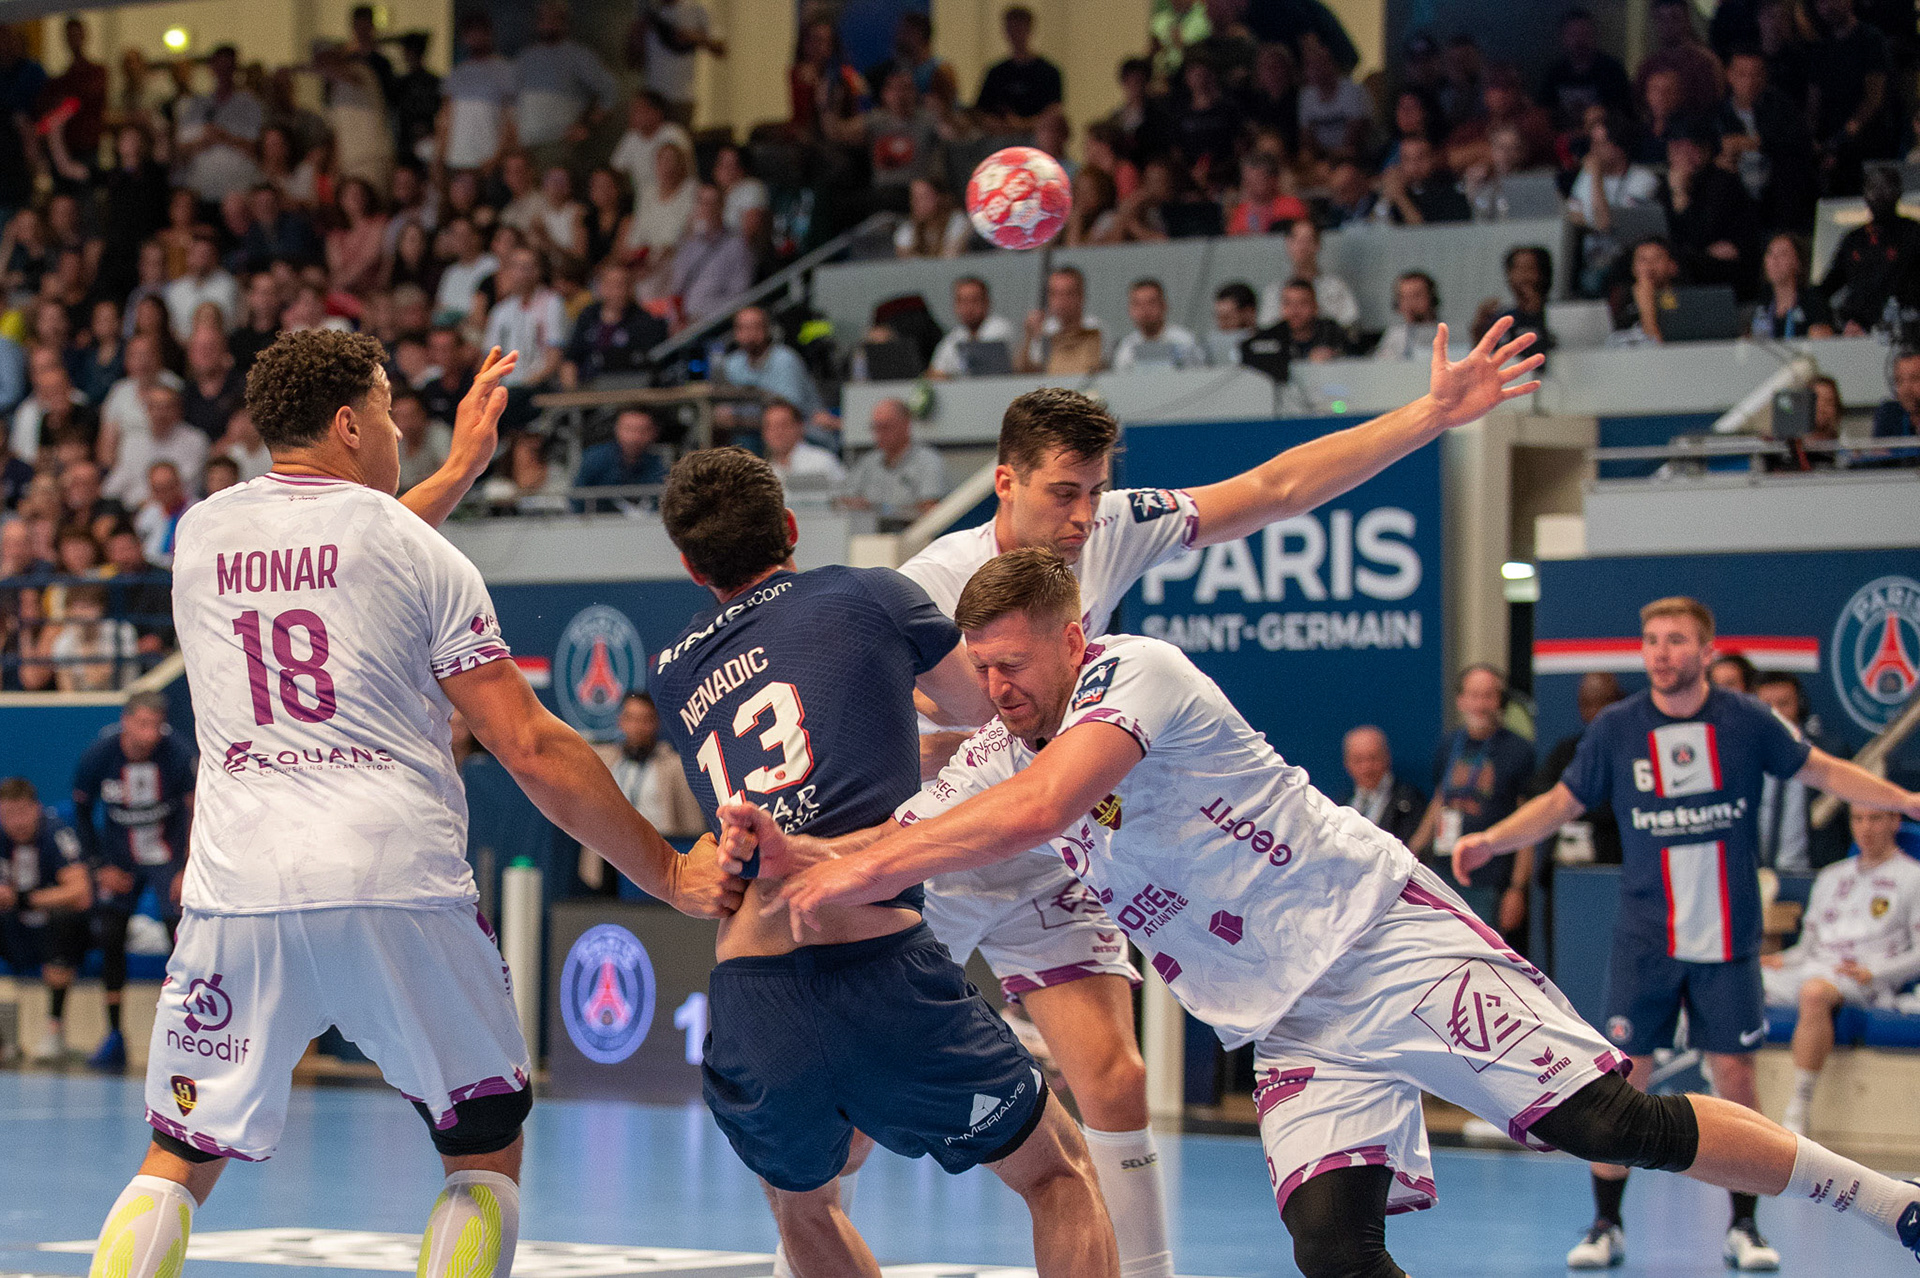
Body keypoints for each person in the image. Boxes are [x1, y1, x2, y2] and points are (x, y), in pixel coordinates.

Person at [737, 548, 1920, 1278]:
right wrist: (806, 856)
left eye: (1014, 663)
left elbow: (1043, 809)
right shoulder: (995, 752)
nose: (996, 690)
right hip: (1288, 1022)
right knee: (1333, 1248)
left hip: (1379, 939)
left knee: (1612, 1122)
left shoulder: (1139, 674)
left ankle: (1888, 1205)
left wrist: (851, 868)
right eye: (981, 668)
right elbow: (908, 838)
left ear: (1072, 637)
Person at [80, 330, 741, 1278]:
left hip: (237, 893)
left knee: (177, 1158)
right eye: (390, 411)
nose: (400, 431)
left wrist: (458, 471)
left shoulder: (200, 536)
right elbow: (527, 744)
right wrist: (670, 871)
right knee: (483, 1150)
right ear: (350, 424)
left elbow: (335, 556)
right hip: (396, 881)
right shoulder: (419, 554)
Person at [894, 324, 1542, 1278]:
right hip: (951, 845)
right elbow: (882, 733)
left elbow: (1275, 488)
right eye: (1063, 493)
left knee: (1115, 1078)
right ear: (1005, 482)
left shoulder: (1109, 531)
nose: (1083, 516)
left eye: (1095, 491)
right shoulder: (926, 587)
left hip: (1054, 841)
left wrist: (1433, 413)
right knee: (862, 1086)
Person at [648, 447, 1118, 1278]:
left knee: (803, 1205)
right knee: (1058, 1174)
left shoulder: (673, 670)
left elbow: (783, 771)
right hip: (874, 963)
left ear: (691, 566)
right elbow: (981, 711)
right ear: (791, 526)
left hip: (750, 987)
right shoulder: (869, 592)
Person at [1454, 595, 1920, 1271]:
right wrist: (1492, 840)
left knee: (1735, 1077)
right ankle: (1606, 1223)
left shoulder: (1746, 720)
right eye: (1651, 640)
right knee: (1622, 1083)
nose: (1661, 653)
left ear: (1705, 651)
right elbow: (1560, 802)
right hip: (1646, 940)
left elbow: (1821, 769)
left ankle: (1745, 1228)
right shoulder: (1617, 728)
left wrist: (1905, 800)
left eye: (1675, 640)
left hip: (1727, 940)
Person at [1764, 807, 1920, 1135]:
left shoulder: (1912, 877)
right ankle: (1711, 1082)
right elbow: (1805, 950)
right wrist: (1779, 960)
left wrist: (1875, 972)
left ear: (1894, 821)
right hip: (1813, 966)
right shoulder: (1831, 876)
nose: (1866, 828)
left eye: (1875, 818)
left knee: (1814, 992)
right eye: (1858, 819)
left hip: (1862, 978)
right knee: (1733, 981)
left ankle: (1798, 1107)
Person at [70, 692, 196, 1071]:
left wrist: (188, 865)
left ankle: (188, 1034)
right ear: (126, 722)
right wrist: (98, 867)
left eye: (156, 725)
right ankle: (114, 1035)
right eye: (142, 724)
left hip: (166, 855)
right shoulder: (99, 755)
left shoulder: (177, 753)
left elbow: (196, 808)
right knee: (110, 934)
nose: (150, 734)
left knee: (181, 935)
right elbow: (80, 809)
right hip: (119, 858)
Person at [1408, 664, 1535, 947]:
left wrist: (1517, 888)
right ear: (1460, 700)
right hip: (1442, 874)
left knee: (1482, 956)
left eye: (1488, 696)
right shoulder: (1448, 744)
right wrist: (1411, 851)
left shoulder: (1519, 751)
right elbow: (1440, 800)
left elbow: (1528, 823)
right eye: (1474, 695)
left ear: (1500, 701)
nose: (1480, 704)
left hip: (1490, 881)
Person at [0, 776, 89, 1062]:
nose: (17, 822)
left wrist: (23, 899)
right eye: (8, 815)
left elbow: (80, 891)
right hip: (14, 928)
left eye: (22, 812)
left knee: (66, 919)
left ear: (36, 808)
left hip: (55, 927)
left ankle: (54, 1033)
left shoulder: (56, 832)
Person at [589, 690, 704, 864]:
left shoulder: (674, 767)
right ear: (621, 721)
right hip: (608, 858)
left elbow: (692, 824)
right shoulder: (607, 761)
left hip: (657, 857)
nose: (637, 727)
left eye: (644, 720)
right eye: (631, 718)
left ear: (655, 723)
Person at [1716, 47, 1816, 234]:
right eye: (1742, 74)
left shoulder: (1782, 107)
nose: (1749, 81)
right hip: (1737, 204)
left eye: (1756, 74)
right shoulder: (1719, 115)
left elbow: (1799, 145)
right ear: (1729, 75)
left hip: (1779, 201)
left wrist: (1755, 143)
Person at [1531, 672, 1626, 865]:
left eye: (1603, 702)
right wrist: (1569, 804)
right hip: (1563, 864)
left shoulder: (1630, 752)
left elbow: (1624, 803)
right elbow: (1539, 789)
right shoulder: (1567, 750)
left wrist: (1575, 805)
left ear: (1618, 702)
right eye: (1588, 704)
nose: (1596, 712)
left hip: (1613, 862)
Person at [513, 1, 619, 170]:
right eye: (543, 18)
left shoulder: (578, 56)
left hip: (559, 145)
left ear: (564, 22)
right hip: (526, 146)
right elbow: (514, 104)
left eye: (554, 18)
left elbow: (610, 90)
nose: (548, 24)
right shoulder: (525, 58)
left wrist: (587, 125)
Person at [1814, 166, 1920, 334]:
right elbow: (1826, 288)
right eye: (1873, 189)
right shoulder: (1854, 239)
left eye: (1886, 188)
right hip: (1855, 330)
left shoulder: (1912, 233)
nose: (1879, 194)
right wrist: (1830, 322)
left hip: (1904, 327)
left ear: (1898, 192)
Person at [715, 306, 831, 434]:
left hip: (802, 435)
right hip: (753, 434)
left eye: (755, 327)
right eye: (743, 328)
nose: (749, 334)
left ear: (768, 329)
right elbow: (726, 406)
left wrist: (738, 420)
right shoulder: (733, 362)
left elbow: (786, 415)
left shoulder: (785, 359)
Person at [176, 46, 264, 204]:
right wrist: (205, 140)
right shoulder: (196, 105)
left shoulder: (250, 105)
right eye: (220, 67)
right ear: (212, 69)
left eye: (228, 68)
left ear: (235, 69)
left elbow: (258, 148)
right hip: (201, 190)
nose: (224, 73)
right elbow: (181, 149)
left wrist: (225, 137)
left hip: (239, 192)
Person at [842, 398, 946, 529]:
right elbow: (845, 500)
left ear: (905, 425)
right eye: (875, 427)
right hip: (867, 534)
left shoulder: (928, 461)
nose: (879, 434)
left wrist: (878, 508)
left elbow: (930, 510)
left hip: (912, 535)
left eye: (885, 427)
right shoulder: (868, 462)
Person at [562, 259, 666, 390]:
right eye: (611, 285)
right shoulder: (588, 316)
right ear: (601, 287)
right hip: (588, 389)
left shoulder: (645, 322)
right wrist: (571, 394)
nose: (617, 292)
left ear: (630, 288)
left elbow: (651, 368)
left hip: (629, 391)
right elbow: (571, 360)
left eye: (622, 285)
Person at [437, 14, 518, 176]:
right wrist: (440, 156)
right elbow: (445, 117)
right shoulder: (457, 73)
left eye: (480, 32)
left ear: (489, 34)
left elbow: (511, 119)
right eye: (471, 32)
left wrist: (497, 157)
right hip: (457, 160)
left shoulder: (505, 70)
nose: (475, 37)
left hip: (489, 161)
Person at [108, 387, 208, 510]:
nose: (160, 413)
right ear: (147, 410)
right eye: (154, 407)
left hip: (179, 510)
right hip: (133, 508)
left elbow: (186, 485)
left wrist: (149, 504)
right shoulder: (132, 441)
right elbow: (117, 481)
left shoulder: (195, 441)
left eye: (167, 407)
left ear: (178, 409)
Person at [1537, 8, 1634, 133]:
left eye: (1585, 34)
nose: (1579, 40)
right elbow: (1544, 110)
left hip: (1602, 136)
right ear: (1563, 38)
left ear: (1594, 36)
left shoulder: (1612, 70)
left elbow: (1624, 112)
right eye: (1573, 35)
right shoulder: (1555, 73)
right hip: (1563, 137)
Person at [481, 249, 566, 391]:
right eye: (515, 266)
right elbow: (489, 359)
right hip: (506, 386)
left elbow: (554, 358)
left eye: (525, 267)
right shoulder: (500, 311)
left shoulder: (552, 303)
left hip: (540, 386)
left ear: (538, 271)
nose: (519, 273)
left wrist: (526, 384)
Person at [670, 185, 755, 325]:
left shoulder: (737, 246)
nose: (705, 208)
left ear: (722, 206)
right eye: (701, 202)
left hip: (714, 325)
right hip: (682, 326)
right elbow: (677, 289)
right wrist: (676, 321)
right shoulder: (689, 243)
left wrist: (702, 319)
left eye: (711, 203)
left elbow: (739, 295)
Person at [1258, 220, 1360, 333]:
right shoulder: (1274, 291)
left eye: (1308, 240)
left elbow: (1349, 324)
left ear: (1318, 245)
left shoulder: (1336, 287)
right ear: (1288, 244)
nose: (1302, 247)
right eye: (1297, 240)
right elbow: (1266, 328)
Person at [974, 6, 1063, 131]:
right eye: (1011, 29)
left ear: (1029, 29)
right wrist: (1000, 124)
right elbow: (980, 111)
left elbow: (1053, 113)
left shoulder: (1048, 73)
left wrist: (1023, 124)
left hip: (1035, 135)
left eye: (1019, 29)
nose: (1014, 35)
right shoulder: (996, 73)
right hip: (1000, 135)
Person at [638, 0, 725, 127]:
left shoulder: (696, 9)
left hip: (682, 97)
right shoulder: (652, 13)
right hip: (653, 98)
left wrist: (693, 37)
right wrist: (637, 35)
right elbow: (633, 61)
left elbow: (721, 49)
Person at [1342, 725, 1426, 845]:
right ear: (1347, 763)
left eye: (1373, 758)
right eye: (1358, 760)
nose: (1366, 768)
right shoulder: (1340, 805)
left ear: (1387, 757)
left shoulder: (1409, 802)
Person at [573, 408, 668, 511]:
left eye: (641, 430)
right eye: (628, 429)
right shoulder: (594, 459)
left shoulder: (660, 465)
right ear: (616, 429)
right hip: (598, 520)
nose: (634, 437)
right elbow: (576, 501)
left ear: (654, 432)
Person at [1020, 266, 1105, 376]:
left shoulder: (1095, 329)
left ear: (1081, 296)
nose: (1060, 301)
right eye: (1054, 294)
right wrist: (1029, 336)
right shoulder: (1044, 330)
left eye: (1068, 294)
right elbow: (1025, 374)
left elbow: (1095, 369)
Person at [929, 276, 1017, 379]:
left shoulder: (999, 328)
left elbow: (985, 372)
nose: (968, 307)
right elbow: (935, 373)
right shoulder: (954, 336)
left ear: (986, 302)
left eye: (974, 300)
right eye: (962, 301)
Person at [1750, 234, 1835, 339]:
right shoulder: (1762, 304)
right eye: (1770, 253)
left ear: (1798, 262)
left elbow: (1823, 340)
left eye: (1783, 254)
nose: (1774, 260)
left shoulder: (1813, 301)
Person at [1113, 279, 1208, 371]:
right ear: (1130, 309)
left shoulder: (1185, 342)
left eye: (1151, 303)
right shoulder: (1126, 347)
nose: (1145, 310)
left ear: (1164, 306)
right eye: (1137, 304)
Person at [163, 234, 240, 344]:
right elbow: (170, 327)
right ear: (188, 257)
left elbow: (235, 324)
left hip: (220, 345)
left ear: (214, 257)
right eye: (197, 254)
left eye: (205, 254)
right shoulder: (175, 289)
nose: (201, 259)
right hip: (181, 347)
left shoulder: (228, 285)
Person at [1373, 273, 1445, 363]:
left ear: (1432, 299)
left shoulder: (1446, 333)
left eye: (1416, 296)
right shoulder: (1394, 335)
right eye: (1404, 297)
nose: (1410, 303)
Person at [1274, 279, 1348, 362]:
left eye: (1302, 303)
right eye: (1288, 303)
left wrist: (1334, 355)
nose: (1294, 310)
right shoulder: (1271, 336)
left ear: (1315, 307)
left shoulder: (1332, 332)